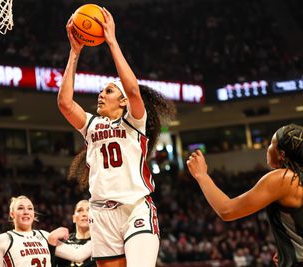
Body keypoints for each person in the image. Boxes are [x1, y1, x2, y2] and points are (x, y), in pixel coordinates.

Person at [58, 7, 176, 267]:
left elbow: (133, 88)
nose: (101, 95)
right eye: (101, 91)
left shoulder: (135, 121)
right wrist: (74, 53)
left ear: (123, 101)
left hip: (135, 208)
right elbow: (65, 104)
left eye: (109, 90)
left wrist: (111, 42)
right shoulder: (92, 125)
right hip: (100, 213)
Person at [186, 123, 303, 267]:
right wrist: (287, 248)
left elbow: (227, 210)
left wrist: (201, 175)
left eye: (272, 144)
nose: (267, 148)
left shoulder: (283, 179)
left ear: (282, 154)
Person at [0, 195, 91, 267]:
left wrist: (103, 234)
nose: (26, 212)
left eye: (30, 208)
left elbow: (78, 255)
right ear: (12, 214)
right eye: (20, 208)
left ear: (33, 214)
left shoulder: (45, 236)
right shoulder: (4, 239)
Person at [55, 200, 96, 267]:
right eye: (80, 210)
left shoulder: (100, 242)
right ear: (74, 218)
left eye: (89, 210)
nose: (84, 214)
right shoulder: (63, 241)